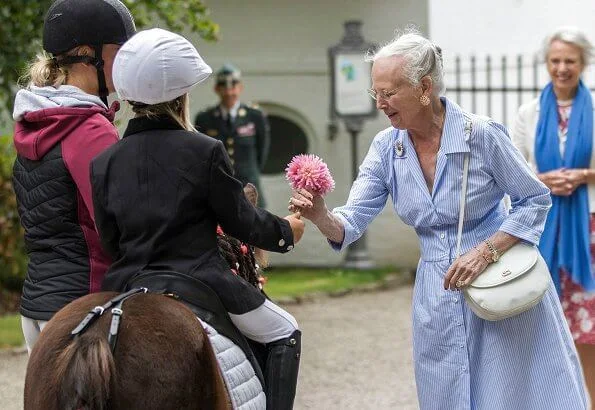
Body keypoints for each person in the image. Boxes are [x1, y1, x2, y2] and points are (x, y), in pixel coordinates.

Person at [289, 29, 588, 409]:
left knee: (513, 394)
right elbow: (351, 222)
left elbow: (534, 199)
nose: (380, 103)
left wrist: (485, 252)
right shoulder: (386, 148)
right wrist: (320, 215)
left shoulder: (482, 135)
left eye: (389, 92)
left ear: (424, 87)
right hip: (438, 291)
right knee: (447, 394)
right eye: (375, 93)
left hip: (500, 281)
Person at [91, 28, 304, 410]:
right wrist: (287, 232)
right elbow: (242, 222)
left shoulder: (104, 161)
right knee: (285, 331)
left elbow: (111, 242)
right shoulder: (204, 150)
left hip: (128, 283)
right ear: (181, 95)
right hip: (200, 278)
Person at [11, 0, 135, 354]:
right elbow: (120, 225)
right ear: (87, 55)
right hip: (86, 306)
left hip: (37, 308)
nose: (126, 62)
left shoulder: (35, 122)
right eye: (119, 51)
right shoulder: (90, 128)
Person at [512, 26, 595, 405]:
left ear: (583, 64)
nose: (562, 68)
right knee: (542, 322)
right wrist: (543, 179)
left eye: (570, 61)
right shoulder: (529, 113)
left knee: (588, 327)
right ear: (547, 63)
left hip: (588, 230)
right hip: (543, 229)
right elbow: (512, 169)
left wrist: (585, 175)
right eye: (556, 60)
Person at [195, 64, 270, 207]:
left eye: (234, 85)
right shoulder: (205, 118)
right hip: (218, 189)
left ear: (240, 87)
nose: (229, 91)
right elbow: (202, 155)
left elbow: (261, 154)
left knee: (255, 227)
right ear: (216, 89)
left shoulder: (255, 116)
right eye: (224, 86)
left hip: (249, 189)